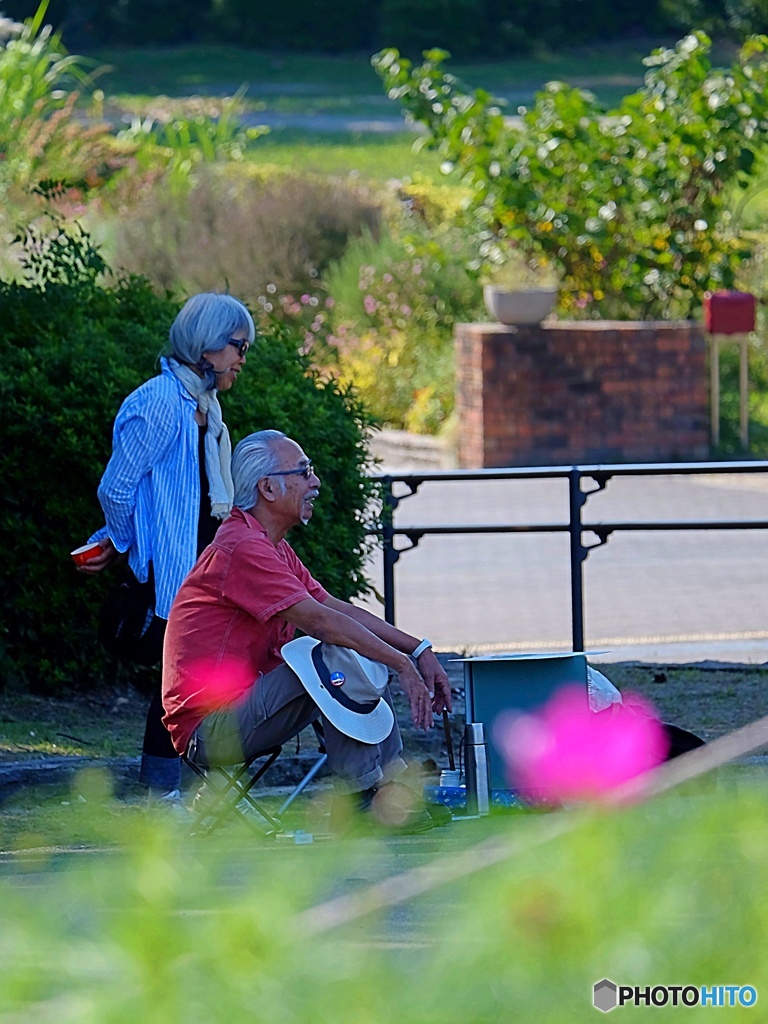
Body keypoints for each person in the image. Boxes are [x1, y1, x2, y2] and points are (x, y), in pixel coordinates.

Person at [161, 429, 453, 833]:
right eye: (304, 471)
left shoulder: (269, 545)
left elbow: (333, 608)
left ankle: (387, 786)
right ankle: (366, 797)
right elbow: (320, 622)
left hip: (247, 710)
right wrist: (401, 664)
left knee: (347, 651)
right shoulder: (242, 548)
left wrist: (419, 649)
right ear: (268, 487)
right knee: (331, 654)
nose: (315, 482)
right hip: (212, 729)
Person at [77, 291, 255, 807]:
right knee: (179, 682)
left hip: (202, 569)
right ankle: (164, 795)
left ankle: (178, 791)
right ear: (206, 346)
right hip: (168, 575)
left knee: (194, 680)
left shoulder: (205, 408)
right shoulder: (158, 402)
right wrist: (122, 542)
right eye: (237, 347)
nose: (242, 360)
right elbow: (116, 488)